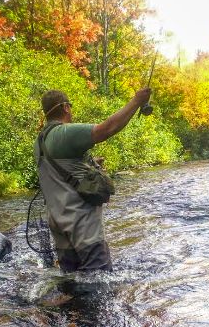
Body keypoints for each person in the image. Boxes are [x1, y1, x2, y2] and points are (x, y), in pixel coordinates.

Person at [34, 87, 151, 272]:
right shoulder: (64, 133)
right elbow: (107, 128)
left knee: (71, 284)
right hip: (81, 225)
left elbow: (57, 171)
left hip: (58, 226)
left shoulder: (40, 142)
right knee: (100, 284)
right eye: (70, 106)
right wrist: (136, 101)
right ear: (65, 107)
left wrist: (89, 164)